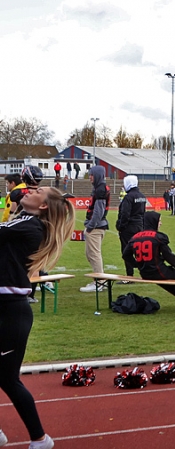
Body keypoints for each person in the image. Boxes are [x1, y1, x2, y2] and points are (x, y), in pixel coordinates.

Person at [0, 186, 75, 449]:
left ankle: (40, 439)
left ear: (44, 205)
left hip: (10, 310)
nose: (30, 191)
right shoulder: (20, 219)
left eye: (37, 191)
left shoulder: (32, 226)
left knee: (8, 379)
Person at [79, 166, 110, 293]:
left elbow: (98, 212)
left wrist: (90, 226)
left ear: (97, 175)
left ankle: (99, 281)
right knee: (90, 254)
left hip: (96, 227)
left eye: (91, 175)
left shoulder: (100, 189)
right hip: (96, 226)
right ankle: (99, 279)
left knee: (94, 254)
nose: (90, 177)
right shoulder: (99, 188)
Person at [116, 175, 147, 282]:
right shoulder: (142, 196)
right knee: (139, 250)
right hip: (139, 226)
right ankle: (145, 272)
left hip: (129, 228)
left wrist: (120, 226)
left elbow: (125, 214)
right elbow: (143, 213)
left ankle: (130, 276)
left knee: (127, 251)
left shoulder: (128, 197)